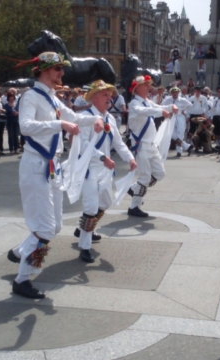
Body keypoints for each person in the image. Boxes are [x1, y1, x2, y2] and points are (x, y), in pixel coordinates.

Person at [6, 52, 105, 299]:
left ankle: (20, 252)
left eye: (61, 69)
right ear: (43, 71)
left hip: (52, 166)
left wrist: (96, 119)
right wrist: (58, 126)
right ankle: (22, 279)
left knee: (56, 225)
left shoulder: (52, 98)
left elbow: (73, 117)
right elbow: (25, 126)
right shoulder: (31, 96)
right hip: (35, 165)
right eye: (58, 69)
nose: (62, 74)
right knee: (46, 227)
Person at [73, 80, 137, 262]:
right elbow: (83, 145)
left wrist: (130, 158)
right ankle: (84, 246)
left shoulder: (109, 118)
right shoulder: (86, 117)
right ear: (94, 98)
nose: (109, 98)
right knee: (91, 206)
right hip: (90, 168)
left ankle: (84, 228)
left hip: (105, 169)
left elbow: (118, 142)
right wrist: (102, 157)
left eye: (110, 95)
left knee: (106, 202)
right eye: (105, 95)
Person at [126, 75, 178, 217]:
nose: (148, 87)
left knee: (160, 173)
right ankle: (134, 206)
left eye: (148, 84)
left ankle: (134, 189)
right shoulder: (134, 104)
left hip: (151, 144)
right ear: (137, 88)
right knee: (144, 177)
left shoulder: (147, 101)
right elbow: (146, 111)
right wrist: (161, 112)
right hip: (140, 144)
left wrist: (170, 107)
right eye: (145, 85)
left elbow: (158, 107)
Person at [162, 87, 193, 157]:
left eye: (176, 92)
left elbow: (190, 106)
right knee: (172, 134)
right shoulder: (168, 100)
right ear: (171, 93)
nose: (175, 93)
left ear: (178, 93)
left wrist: (185, 112)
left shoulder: (182, 100)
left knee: (180, 133)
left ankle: (179, 151)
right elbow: (162, 106)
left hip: (180, 117)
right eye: (173, 92)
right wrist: (167, 112)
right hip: (171, 117)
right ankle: (187, 146)